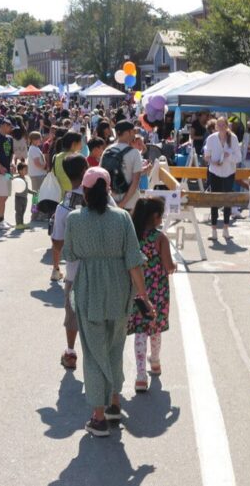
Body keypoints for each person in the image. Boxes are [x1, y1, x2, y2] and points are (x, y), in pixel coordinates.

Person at [61, 167, 153, 438]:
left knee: (93, 353)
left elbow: (71, 253)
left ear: (85, 193)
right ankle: (114, 402)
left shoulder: (75, 220)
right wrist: (144, 297)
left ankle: (99, 417)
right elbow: (134, 262)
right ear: (109, 189)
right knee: (115, 348)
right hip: (119, 291)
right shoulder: (123, 218)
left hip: (89, 290)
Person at [127, 197, 176, 393]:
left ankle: (140, 376)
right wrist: (175, 267)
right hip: (158, 291)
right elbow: (169, 266)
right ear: (155, 216)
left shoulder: (132, 236)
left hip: (138, 290)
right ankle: (155, 362)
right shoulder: (160, 238)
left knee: (140, 329)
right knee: (154, 328)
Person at [52, 154, 90, 361]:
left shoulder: (63, 207)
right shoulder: (103, 199)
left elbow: (57, 242)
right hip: (102, 270)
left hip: (75, 272)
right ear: (86, 170)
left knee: (73, 313)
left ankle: (71, 351)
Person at [203, 115, 241, 241]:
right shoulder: (211, 138)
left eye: (223, 125)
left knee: (227, 200)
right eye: (218, 125)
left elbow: (238, 158)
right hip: (214, 172)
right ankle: (213, 230)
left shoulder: (233, 138)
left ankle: (226, 229)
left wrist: (228, 156)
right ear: (215, 127)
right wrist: (213, 162)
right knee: (214, 199)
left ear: (227, 125)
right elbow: (206, 156)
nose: (221, 127)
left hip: (229, 172)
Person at [103, 120, 143, 212]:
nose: (134, 134)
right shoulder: (134, 153)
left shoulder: (107, 150)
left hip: (110, 201)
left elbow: (103, 176)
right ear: (128, 132)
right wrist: (122, 204)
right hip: (130, 202)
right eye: (133, 131)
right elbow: (136, 181)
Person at [14, 161, 30, 230]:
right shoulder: (17, 178)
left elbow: (26, 189)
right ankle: (18, 224)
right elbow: (11, 179)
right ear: (20, 171)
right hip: (18, 198)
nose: (26, 171)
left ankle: (22, 223)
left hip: (24, 198)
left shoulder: (25, 179)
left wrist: (32, 192)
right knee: (19, 212)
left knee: (23, 211)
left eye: (27, 170)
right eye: (25, 170)